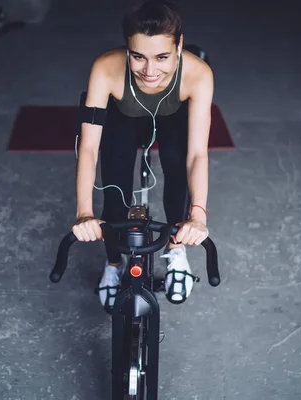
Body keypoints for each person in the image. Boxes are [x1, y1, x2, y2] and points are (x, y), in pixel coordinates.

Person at [71, 0, 214, 312]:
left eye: (162, 57)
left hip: (173, 115)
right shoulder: (105, 68)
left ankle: (177, 252)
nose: (150, 70)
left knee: (177, 171)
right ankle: (112, 263)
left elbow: (197, 154)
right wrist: (83, 212)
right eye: (138, 57)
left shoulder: (198, 74)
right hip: (123, 116)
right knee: (115, 189)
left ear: (179, 44)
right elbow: (89, 147)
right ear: (127, 48)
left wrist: (198, 215)